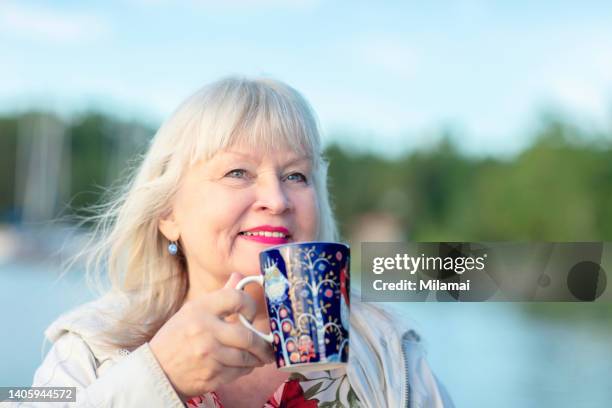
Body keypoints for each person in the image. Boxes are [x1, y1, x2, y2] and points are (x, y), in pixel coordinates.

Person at [23, 77, 454, 407]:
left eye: (295, 175)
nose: (276, 199)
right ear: (168, 214)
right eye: (238, 173)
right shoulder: (87, 349)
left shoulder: (389, 349)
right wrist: (156, 377)